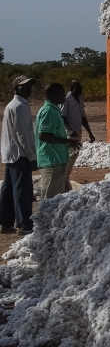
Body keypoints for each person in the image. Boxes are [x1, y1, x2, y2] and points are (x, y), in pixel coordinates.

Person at [1, 76, 38, 234]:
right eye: (25, 86)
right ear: (17, 88)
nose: (29, 88)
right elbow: (24, 135)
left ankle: (6, 222)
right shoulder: (19, 107)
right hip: (20, 154)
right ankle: (24, 225)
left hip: (11, 153)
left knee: (8, 189)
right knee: (22, 190)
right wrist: (32, 157)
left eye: (29, 85)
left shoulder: (13, 105)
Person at [35, 83, 78, 201]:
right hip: (51, 162)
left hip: (56, 161)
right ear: (55, 94)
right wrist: (67, 142)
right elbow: (43, 135)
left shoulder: (54, 110)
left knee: (55, 201)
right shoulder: (49, 111)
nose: (65, 96)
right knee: (49, 201)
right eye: (62, 93)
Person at [59, 80, 93, 188]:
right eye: (78, 89)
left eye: (81, 89)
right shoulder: (67, 100)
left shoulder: (79, 99)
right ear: (72, 90)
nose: (80, 91)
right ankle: (63, 178)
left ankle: (65, 177)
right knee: (69, 155)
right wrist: (69, 130)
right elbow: (62, 116)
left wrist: (90, 132)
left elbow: (83, 117)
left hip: (77, 131)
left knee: (74, 154)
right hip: (69, 133)